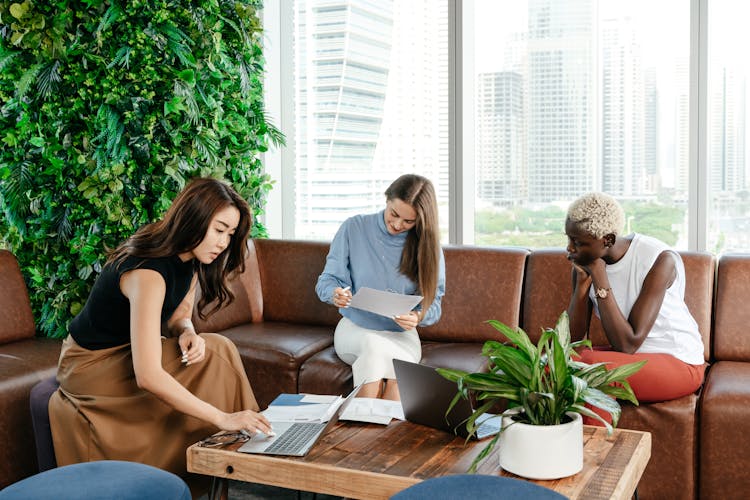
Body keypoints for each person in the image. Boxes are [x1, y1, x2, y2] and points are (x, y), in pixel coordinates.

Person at [49, 177, 272, 477]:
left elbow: (179, 315)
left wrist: (188, 332)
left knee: (215, 348)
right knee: (220, 355)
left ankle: (234, 458)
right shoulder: (148, 274)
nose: (223, 242)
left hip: (125, 352)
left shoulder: (191, 258)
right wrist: (222, 417)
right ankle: (241, 451)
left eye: (230, 234)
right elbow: (148, 375)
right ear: (195, 219)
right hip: (90, 366)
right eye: (219, 230)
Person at [565, 192, 705, 414]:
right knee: (551, 363)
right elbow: (571, 340)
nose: (570, 249)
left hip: (679, 362)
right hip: (634, 359)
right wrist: (582, 287)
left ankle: (592, 447)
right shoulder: (586, 261)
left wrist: (600, 276)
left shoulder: (658, 259)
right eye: (569, 239)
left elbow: (628, 344)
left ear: (607, 240)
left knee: (586, 367)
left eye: (578, 242)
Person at [316, 174, 446, 401]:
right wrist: (334, 294)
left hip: (401, 336)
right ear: (387, 199)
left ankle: (361, 429)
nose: (397, 225)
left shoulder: (428, 247)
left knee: (385, 364)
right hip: (355, 329)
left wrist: (417, 317)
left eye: (408, 222)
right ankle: (375, 430)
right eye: (394, 214)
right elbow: (327, 280)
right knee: (377, 350)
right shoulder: (353, 228)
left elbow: (434, 303)